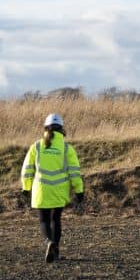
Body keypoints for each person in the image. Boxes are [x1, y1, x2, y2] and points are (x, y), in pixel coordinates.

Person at [21, 113, 84, 263]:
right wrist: (79, 190)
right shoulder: (67, 148)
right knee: (56, 219)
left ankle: (49, 242)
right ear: (61, 128)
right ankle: (56, 252)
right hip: (59, 190)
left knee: (44, 221)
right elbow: (74, 171)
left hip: (41, 190)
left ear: (46, 128)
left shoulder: (36, 146)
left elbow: (27, 168)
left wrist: (26, 187)